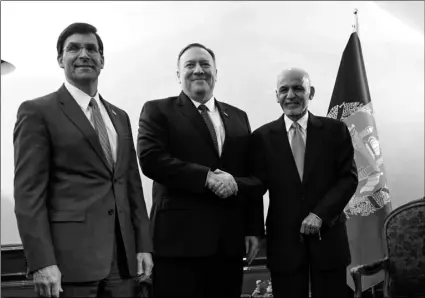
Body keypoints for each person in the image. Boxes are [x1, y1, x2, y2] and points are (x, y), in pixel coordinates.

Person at [13, 22, 153, 298]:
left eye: (92, 49)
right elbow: (29, 195)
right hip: (68, 265)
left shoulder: (119, 116)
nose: (84, 54)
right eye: (73, 48)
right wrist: (42, 262)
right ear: (60, 59)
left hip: (123, 264)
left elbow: (132, 187)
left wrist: (143, 245)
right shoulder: (37, 111)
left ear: (102, 60)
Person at [137, 43, 265, 298]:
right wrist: (206, 177)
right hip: (177, 243)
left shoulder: (239, 117)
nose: (198, 70)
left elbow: (250, 174)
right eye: (190, 65)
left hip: (228, 243)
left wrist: (253, 228)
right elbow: (151, 159)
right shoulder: (158, 110)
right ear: (178, 75)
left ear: (216, 73)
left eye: (205, 65)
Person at [246, 68, 358, 298]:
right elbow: (255, 188)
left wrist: (320, 214)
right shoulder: (261, 137)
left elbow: (348, 178)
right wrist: (253, 231)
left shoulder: (335, 131)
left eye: (298, 88)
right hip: (284, 242)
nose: (291, 95)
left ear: (311, 92)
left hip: (328, 238)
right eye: (284, 90)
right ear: (276, 95)